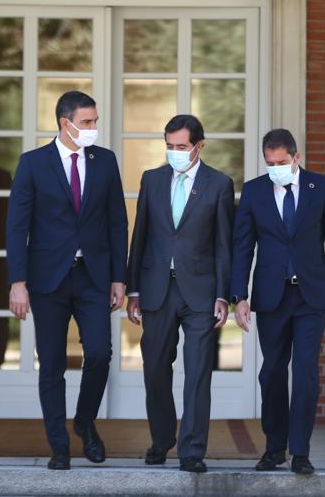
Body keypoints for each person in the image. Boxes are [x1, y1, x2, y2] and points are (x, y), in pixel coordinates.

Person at [6, 91, 128, 470]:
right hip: (48, 281)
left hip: (93, 278)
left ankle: (84, 423)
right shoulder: (33, 164)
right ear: (65, 123)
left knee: (99, 354)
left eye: (95, 121)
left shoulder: (105, 161)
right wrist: (18, 282)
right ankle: (59, 446)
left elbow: (116, 222)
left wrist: (119, 279)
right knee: (53, 363)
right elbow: (16, 227)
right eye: (87, 122)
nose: (93, 128)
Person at [230, 129, 325, 475]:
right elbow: (242, 246)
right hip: (271, 297)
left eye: (281, 162)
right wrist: (240, 295)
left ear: (296, 158)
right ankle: (274, 448)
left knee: (306, 372)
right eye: (269, 163)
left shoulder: (320, 187)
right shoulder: (254, 191)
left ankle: (300, 451)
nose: (275, 168)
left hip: (312, 295)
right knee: (272, 373)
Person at [126, 115, 235, 473]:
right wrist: (134, 289)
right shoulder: (152, 180)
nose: (175, 153)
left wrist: (223, 295)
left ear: (199, 146)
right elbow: (140, 235)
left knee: (198, 371)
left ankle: (192, 450)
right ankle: (161, 440)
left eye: (181, 147)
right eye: (169, 146)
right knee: (155, 368)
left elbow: (223, 245)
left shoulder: (218, 184)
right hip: (157, 290)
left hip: (201, 293)